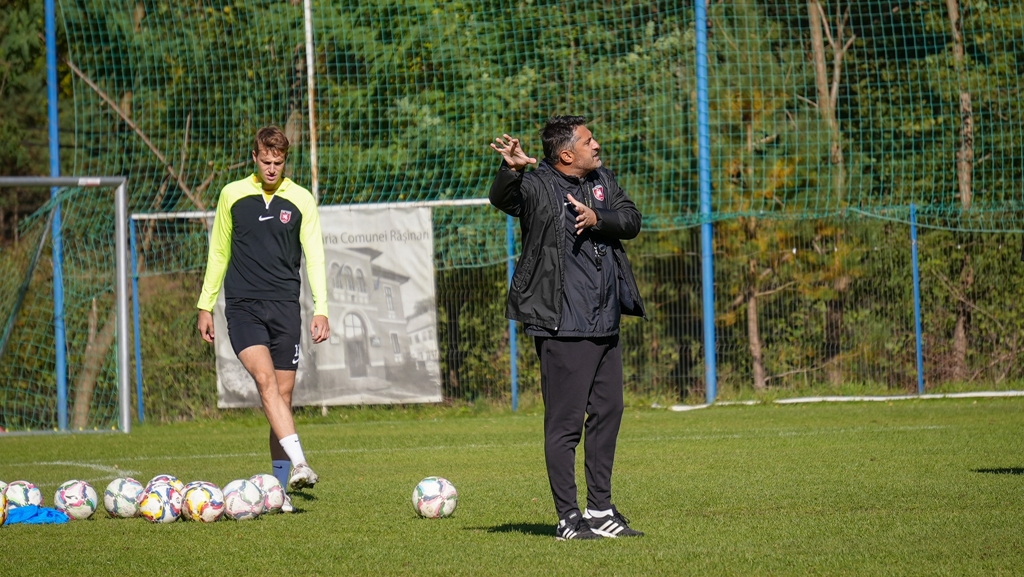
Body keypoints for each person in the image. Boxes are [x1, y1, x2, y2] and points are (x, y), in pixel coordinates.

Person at [489, 115, 647, 540]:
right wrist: (513, 169)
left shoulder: (603, 180)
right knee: (565, 425)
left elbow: (631, 220)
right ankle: (568, 518)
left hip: (604, 318)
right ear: (566, 154)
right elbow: (502, 198)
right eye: (588, 140)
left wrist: (598, 218)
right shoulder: (539, 185)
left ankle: (600, 510)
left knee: (609, 411)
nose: (597, 145)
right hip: (562, 323)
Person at [196, 125, 330, 513]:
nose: (272, 169)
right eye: (266, 162)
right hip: (243, 306)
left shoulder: (302, 199)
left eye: (279, 162)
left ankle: (279, 489)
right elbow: (218, 252)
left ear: (286, 161)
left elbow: (315, 256)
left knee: (282, 399)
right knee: (266, 381)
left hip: (286, 307)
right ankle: (301, 462)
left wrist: (321, 307)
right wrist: (206, 304)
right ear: (254, 158)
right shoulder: (232, 195)